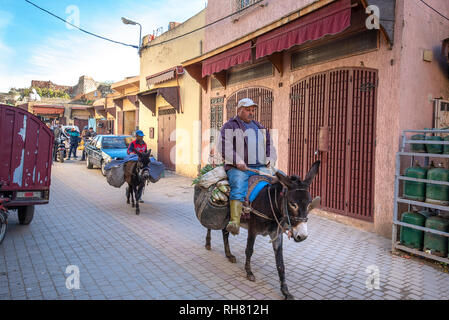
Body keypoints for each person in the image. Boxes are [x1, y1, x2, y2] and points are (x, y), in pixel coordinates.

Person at [219, 98, 277, 235]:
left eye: (253, 110)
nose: (251, 113)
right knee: (238, 185)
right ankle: (234, 222)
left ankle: (282, 217)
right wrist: (237, 160)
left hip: (261, 167)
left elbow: (270, 145)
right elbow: (224, 146)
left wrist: (270, 158)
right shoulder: (229, 126)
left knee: (280, 179)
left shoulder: (260, 127)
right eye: (247, 110)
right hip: (239, 168)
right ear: (239, 110)